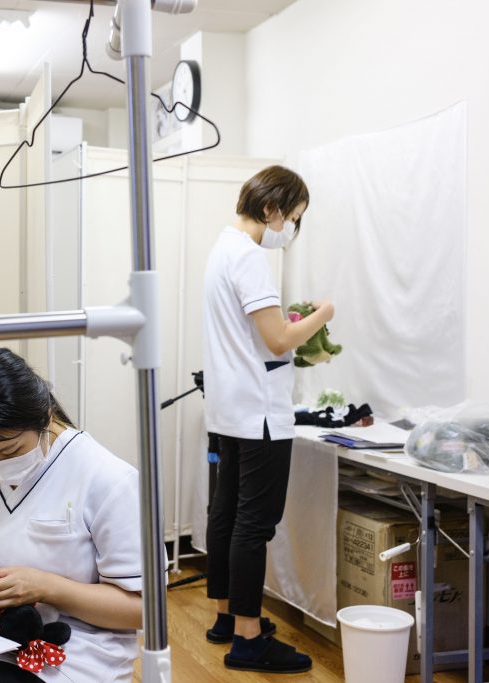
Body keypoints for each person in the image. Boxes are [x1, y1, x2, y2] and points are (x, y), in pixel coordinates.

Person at [0, 347, 143, 682]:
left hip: (68, 654)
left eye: (10, 449)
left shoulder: (107, 478)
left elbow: (141, 611)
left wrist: (49, 588)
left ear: (45, 417)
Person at [201, 165, 334, 674]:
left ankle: (226, 618)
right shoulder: (251, 259)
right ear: (273, 208)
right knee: (253, 526)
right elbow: (278, 340)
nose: (289, 231)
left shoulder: (222, 250)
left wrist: (287, 321)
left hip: (230, 408)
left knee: (227, 515)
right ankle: (249, 640)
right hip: (258, 414)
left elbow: (259, 334)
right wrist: (322, 313)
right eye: (292, 219)